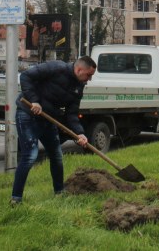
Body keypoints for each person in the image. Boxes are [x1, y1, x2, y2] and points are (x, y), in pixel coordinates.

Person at [11, 56, 97, 204]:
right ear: (79, 69)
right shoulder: (56, 67)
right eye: (89, 75)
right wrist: (34, 100)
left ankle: (59, 192)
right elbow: (26, 77)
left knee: (56, 155)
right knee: (30, 155)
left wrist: (79, 133)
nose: (89, 79)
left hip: (48, 118)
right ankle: (16, 198)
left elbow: (71, 113)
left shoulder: (79, 86)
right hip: (28, 114)